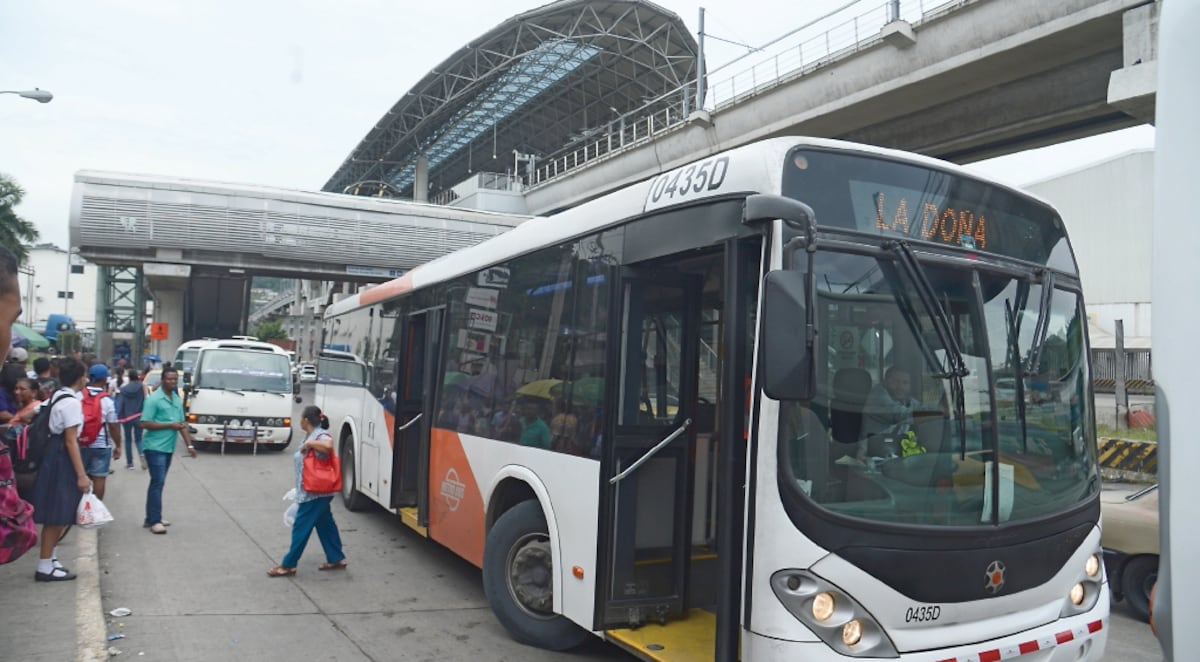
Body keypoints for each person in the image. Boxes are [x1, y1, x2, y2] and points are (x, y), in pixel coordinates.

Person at [28, 357, 91, 582]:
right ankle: (45, 565)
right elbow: (70, 441)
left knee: (58, 510)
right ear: (79, 378)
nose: (86, 378)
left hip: (52, 454)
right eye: (84, 375)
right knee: (57, 513)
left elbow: (31, 415)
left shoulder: (56, 395)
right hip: (61, 457)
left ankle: (51, 559)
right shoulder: (71, 402)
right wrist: (82, 475)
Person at [267, 406, 346, 577]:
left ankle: (288, 565)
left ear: (306, 420)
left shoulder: (319, 435)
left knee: (301, 528)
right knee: (325, 524)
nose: (299, 421)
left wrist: (309, 444)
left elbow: (328, 446)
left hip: (314, 493)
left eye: (301, 418)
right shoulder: (309, 435)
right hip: (315, 491)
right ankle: (336, 558)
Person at [139, 365, 196, 534]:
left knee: (159, 482)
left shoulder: (176, 398)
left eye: (174, 379)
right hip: (154, 447)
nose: (172, 382)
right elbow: (144, 423)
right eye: (169, 379)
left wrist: (189, 445)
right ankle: (154, 521)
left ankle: (152, 517)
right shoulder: (153, 400)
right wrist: (168, 425)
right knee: (157, 482)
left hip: (168, 447)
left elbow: (181, 424)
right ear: (162, 380)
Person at [81, 364, 121, 499]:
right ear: (104, 380)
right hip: (101, 445)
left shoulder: (78, 395)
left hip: (79, 444)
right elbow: (113, 426)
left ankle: (78, 507)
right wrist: (118, 445)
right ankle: (95, 507)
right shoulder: (108, 400)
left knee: (80, 475)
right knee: (99, 478)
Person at [861, 367, 918, 456]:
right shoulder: (878, 396)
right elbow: (901, 415)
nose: (900, 387)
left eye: (905, 383)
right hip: (868, 455)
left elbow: (920, 408)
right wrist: (938, 411)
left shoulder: (907, 401)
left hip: (892, 454)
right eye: (895, 382)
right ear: (885, 382)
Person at [117, 369, 147, 469]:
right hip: (139, 415)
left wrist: (118, 415)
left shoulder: (123, 389)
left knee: (128, 439)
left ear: (129, 377)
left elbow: (120, 403)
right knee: (138, 439)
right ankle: (142, 454)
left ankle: (130, 463)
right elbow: (146, 399)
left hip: (127, 417)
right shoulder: (142, 386)